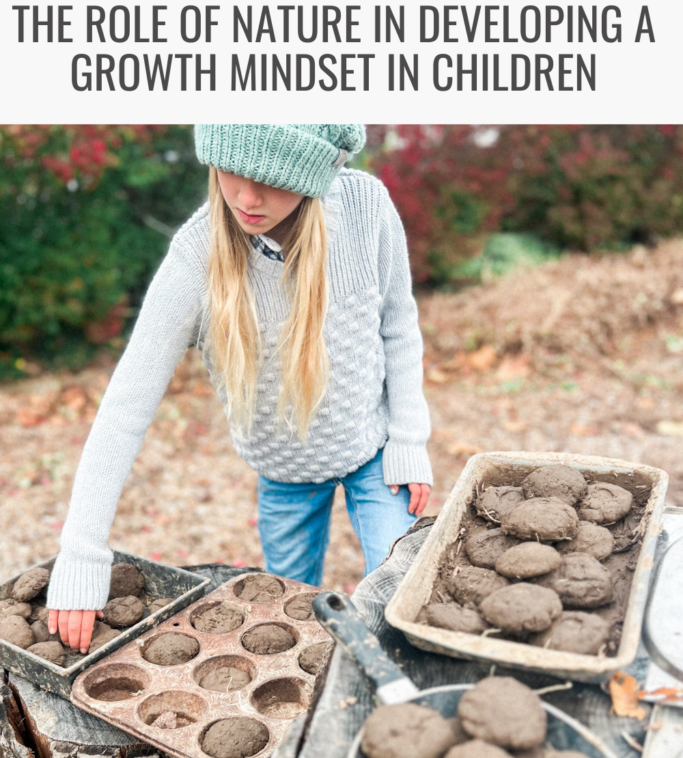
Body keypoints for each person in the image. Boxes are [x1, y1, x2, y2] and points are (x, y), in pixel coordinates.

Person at [46, 124, 433, 653]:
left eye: (272, 178)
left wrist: (410, 440)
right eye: (232, 170)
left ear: (315, 173)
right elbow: (125, 406)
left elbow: (398, 324)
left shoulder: (366, 210)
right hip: (282, 471)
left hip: (373, 451)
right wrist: (82, 551)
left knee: (402, 604)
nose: (247, 198)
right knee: (288, 627)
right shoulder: (195, 258)